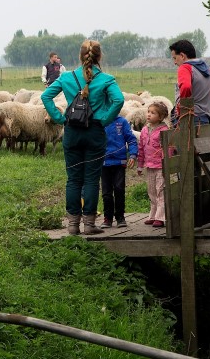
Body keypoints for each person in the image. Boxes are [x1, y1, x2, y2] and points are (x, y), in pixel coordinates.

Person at [41, 39, 124, 235]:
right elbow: (119, 100)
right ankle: (89, 225)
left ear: (80, 56)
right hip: (94, 133)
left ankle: (72, 225)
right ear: (99, 56)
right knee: (91, 180)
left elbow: (45, 96)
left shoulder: (67, 77)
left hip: (72, 132)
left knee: (73, 180)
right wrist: (104, 120)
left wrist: (60, 118)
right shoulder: (106, 79)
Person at [168, 40, 210, 125]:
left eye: (175, 58)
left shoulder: (185, 68)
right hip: (204, 121)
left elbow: (186, 87)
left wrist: (181, 109)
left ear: (182, 56)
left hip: (187, 121)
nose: (175, 62)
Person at [100, 116, 138, 229]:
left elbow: (131, 139)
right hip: (104, 163)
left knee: (119, 189)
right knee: (106, 192)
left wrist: (132, 154)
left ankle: (120, 217)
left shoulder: (122, 122)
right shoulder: (100, 121)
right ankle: (107, 218)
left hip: (119, 162)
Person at [137, 102, 170, 228]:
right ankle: (153, 215)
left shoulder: (164, 131)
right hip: (149, 165)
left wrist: (166, 161)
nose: (149, 115)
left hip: (160, 166)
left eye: (153, 113)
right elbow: (141, 148)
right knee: (151, 191)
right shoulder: (145, 130)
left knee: (160, 190)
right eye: (148, 112)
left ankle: (161, 217)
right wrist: (140, 165)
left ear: (161, 117)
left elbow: (169, 148)